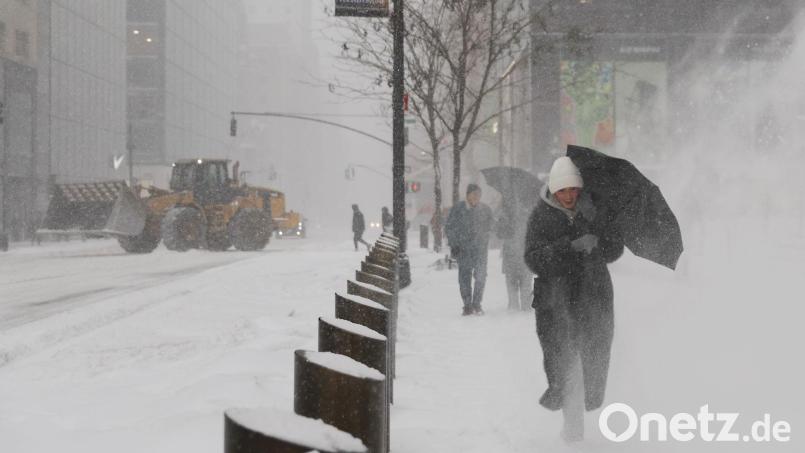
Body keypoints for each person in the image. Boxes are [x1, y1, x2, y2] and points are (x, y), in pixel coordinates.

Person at [524, 156, 623, 442]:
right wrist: (569, 247)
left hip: (593, 299)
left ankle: (576, 423)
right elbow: (533, 258)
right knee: (565, 365)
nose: (568, 196)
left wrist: (600, 237)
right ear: (553, 190)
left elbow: (614, 251)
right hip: (556, 304)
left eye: (573, 190)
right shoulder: (540, 216)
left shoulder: (593, 211)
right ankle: (573, 429)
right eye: (562, 191)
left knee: (590, 362)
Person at [445, 183, 494, 316]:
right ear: (468, 195)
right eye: (474, 194)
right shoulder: (458, 209)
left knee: (481, 277)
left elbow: (492, 226)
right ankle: (467, 305)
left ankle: (477, 304)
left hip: (480, 250)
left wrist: (488, 234)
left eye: (479, 194)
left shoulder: (485, 210)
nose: (477, 197)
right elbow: (449, 227)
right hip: (463, 250)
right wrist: (454, 244)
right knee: (464, 278)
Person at [496, 204, 533, 311]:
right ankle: (514, 307)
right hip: (511, 254)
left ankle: (525, 306)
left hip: (524, 253)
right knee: (512, 283)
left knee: (525, 283)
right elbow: (499, 233)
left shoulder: (529, 214)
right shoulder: (505, 215)